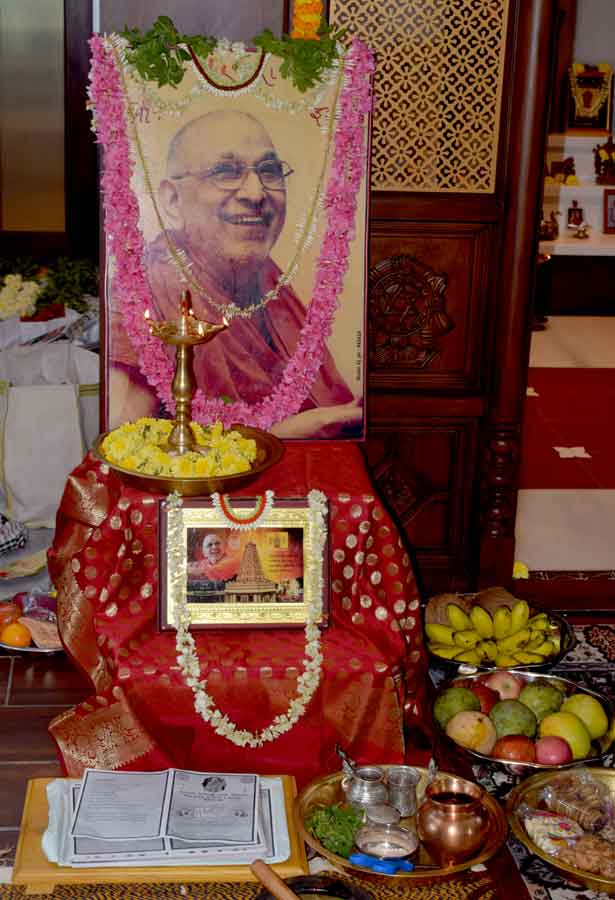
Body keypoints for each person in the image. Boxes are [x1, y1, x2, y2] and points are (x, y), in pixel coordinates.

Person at [110, 109, 363, 438]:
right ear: (172, 200)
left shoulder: (267, 280)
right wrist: (283, 434)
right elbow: (126, 444)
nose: (256, 194)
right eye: (226, 172)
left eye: (269, 171)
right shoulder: (148, 288)